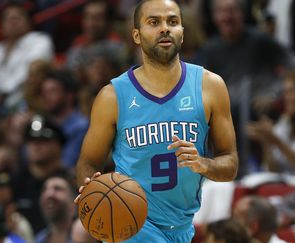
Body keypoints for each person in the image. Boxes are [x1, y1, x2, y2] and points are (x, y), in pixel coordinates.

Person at [75, 0, 239, 242]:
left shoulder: (210, 86)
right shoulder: (112, 96)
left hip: (182, 228)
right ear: (137, 35)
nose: (165, 28)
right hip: (133, 224)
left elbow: (231, 164)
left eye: (172, 22)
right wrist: (92, 188)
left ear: (182, 33)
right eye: (154, 22)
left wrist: (203, 164)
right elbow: (88, 162)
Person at [35, 175, 76, 243]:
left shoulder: (86, 237)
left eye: (57, 189)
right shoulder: (39, 238)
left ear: (73, 202)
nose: (49, 194)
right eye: (44, 189)